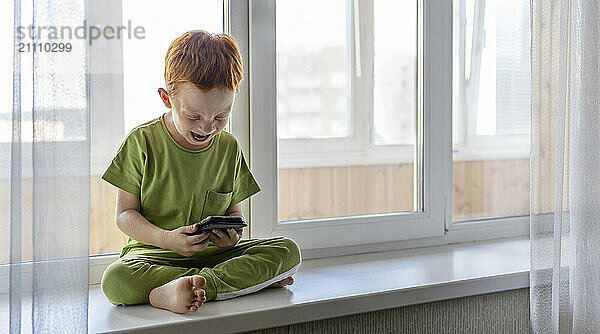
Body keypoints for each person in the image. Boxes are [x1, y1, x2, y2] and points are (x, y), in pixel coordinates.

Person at [100, 30, 302, 314]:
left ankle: (187, 287)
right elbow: (125, 216)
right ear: (166, 98)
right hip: (154, 257)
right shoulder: (141, 142)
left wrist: (232, 235)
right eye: (194, 116)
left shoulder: (229, 147)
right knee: (116, 280)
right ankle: (229, 285)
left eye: (221, 117)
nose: (207, 127)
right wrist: (167, 239)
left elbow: (235, 214)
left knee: (288, 250)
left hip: (218, 257)